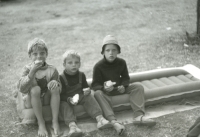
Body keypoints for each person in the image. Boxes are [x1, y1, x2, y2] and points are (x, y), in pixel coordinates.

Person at [92, 35, 156, 136]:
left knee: (138, 86)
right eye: (108, 50)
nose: (111, 53)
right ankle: (113, 121)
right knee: (97, 93)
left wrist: (124, 86)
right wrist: (104, 88)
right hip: (106, 92)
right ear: (103, 52)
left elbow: (126, 78)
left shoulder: (121, 62)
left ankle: (138, 116)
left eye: (114, 50)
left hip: (119, 88)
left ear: (118, 51)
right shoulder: (98, 66)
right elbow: (95, 84)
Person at [59, 50, 112, 137]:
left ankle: (100, 119)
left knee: (89, 96)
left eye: (76, 62)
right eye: (70, 63)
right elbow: (61, 95)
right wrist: (69, 99)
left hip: (80, 96)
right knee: (63, 104)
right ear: (64, 65)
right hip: (68, 99)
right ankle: (72, 126)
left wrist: (87, 90)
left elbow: (85, 87)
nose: (74, 65)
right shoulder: (61, 77)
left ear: (80, 64)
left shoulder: (81, 75)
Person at [17, 38, 61, 137]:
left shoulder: (52, 69)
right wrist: (31, 73)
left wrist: (55, 82)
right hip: (31, 101)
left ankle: (55, 121)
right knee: (36, 89)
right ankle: (41, 123)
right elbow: (22, 89)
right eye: (35, 54)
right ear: (29, 56)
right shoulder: (27, 69)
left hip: (46, 99)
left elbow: (59, 88)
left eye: (42, 53)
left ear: (46, 54)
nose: (39, 56)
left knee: (55, 87)